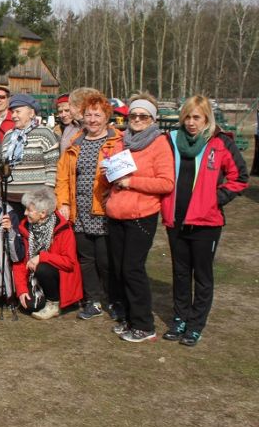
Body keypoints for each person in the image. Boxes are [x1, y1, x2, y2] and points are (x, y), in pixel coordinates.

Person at [160, 95, 248, 346]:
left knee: (202, 275)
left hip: (206, 222)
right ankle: (180, 319)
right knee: (180, 273)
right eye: (186, 116)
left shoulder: (220, 143)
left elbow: (239, 177)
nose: (190, 122)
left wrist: (216, 198)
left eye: (196, 117)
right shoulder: (171, 141)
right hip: (175, 219)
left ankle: (196, 324)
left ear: (206, 118)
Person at [106, 94, 175, 343]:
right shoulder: (121, 141)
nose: (136, 120)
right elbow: (112, 171)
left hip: (140, 215)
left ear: (152, 120)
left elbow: (166, 182)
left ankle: (144, 324)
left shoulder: (159, 144)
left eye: (143, 116)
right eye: (133, 115)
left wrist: (131, 182)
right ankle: (128, 318)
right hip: (116, 213)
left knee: (132, 269)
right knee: (118, 270)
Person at [54, 93, 121, 320]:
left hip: (103, 210)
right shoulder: (75, 143)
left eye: (97, 115)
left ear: (106, 117)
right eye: (88, 115)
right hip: (79, 209)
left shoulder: (116, 142)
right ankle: (92, 300)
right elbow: (62, 177)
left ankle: (113, 299)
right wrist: (62, 202)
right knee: (86, 259)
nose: (92, 120)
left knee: (105, 259)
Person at [13, 188, 82, 319]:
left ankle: (54, 303)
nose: (24, 213)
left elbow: (69, 262)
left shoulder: (63, 229)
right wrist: (21, 289)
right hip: (33, 275)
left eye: (29, 210)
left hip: (57, 274)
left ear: (42, 213)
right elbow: (19, 261)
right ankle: (43, 296)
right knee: (29, 305)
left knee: (43, 268)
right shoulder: (24, 228)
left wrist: (42, 257)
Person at [1, 93, 60, 216]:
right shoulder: (8, 136)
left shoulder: (44, 133)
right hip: (10, 198)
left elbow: (53, 167)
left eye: (18, 112)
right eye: (12, 112)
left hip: (35, 201)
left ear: (31, 113)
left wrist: (46, 196)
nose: (13, 116)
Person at [60, 87, 99, 154]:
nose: (69, 108)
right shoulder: (69, 128)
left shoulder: (95, 129)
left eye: (70, 104)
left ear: (79, 106)